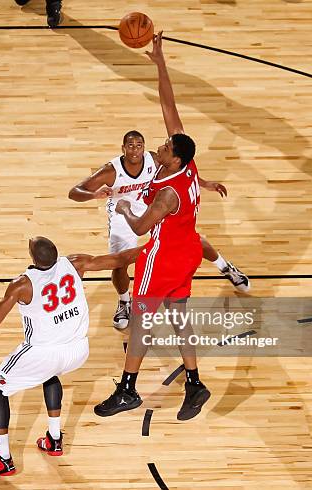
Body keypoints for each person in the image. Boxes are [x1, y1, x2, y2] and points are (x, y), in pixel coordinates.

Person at [94, 31, 225, 421]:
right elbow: (169, 104)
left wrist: (120, 206)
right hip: (188, 254)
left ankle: (128, 390)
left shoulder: (167, 194)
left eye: (166, 146)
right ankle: (195, 382)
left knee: (140, 320)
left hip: (164, 255)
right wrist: (160, 62)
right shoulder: (187, 162)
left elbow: (138, 227)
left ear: (172, 158)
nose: (161, 144)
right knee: (179, 316)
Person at [0, 236, 141, 476]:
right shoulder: (75, 264)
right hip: (77, 350)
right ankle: (54, 440)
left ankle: (3, 458)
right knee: (50, 374)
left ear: (33, 257)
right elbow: (120, 259)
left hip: (44, 351)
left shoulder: (22, 284)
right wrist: (157, 245)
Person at [69, 131, 250, 329]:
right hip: (122, 216)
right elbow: (75, 192)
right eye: (130, 145)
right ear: (123, 148)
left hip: (150, 208)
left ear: (144, 147)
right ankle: (124, 301)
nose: (135, 149)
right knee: (120, 262)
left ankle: (225, 267)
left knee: (192, 238)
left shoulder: (155, 160)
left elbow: (179, 172)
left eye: (139, 145)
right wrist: (94, 194)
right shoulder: (111, 171)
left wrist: (205, 184)